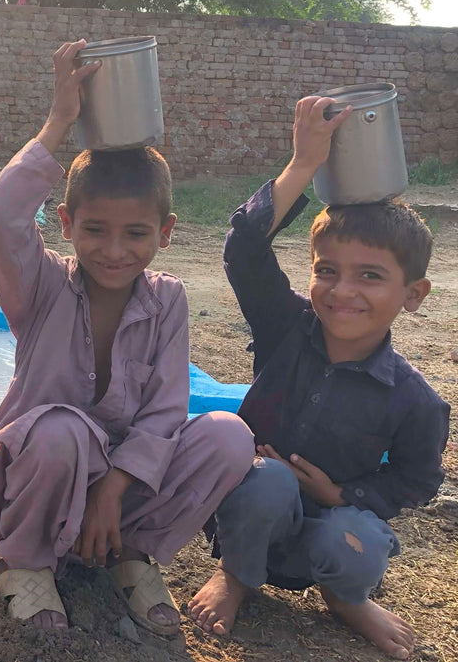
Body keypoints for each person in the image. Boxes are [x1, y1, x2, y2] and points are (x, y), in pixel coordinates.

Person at [0, 40, 256, 633]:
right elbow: (0, 220)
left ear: (166, 232)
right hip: (39, 480)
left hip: (120, 498)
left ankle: (129, 554)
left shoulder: (168, 300)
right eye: (96, 230)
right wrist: (60, 118)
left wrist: (112, 490)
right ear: (68, 224)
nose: (115, 250)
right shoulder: (41, 287)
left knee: (229, 436)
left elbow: (165, 412)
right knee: (62, 430)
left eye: (136, 233)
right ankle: (23, 564)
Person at [187, 96, 450, 660]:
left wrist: (341, 493)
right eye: (326, 271)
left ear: (413, 296)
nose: (343, 290)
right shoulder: (285, 327)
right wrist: (304, 163)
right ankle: (236, 576)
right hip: (254, 507)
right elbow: (244, 250)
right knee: (268, 480)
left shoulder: (416, 401)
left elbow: (417, 480)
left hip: (334, 523)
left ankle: (345, 598)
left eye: (370, 276)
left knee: (352, 541)